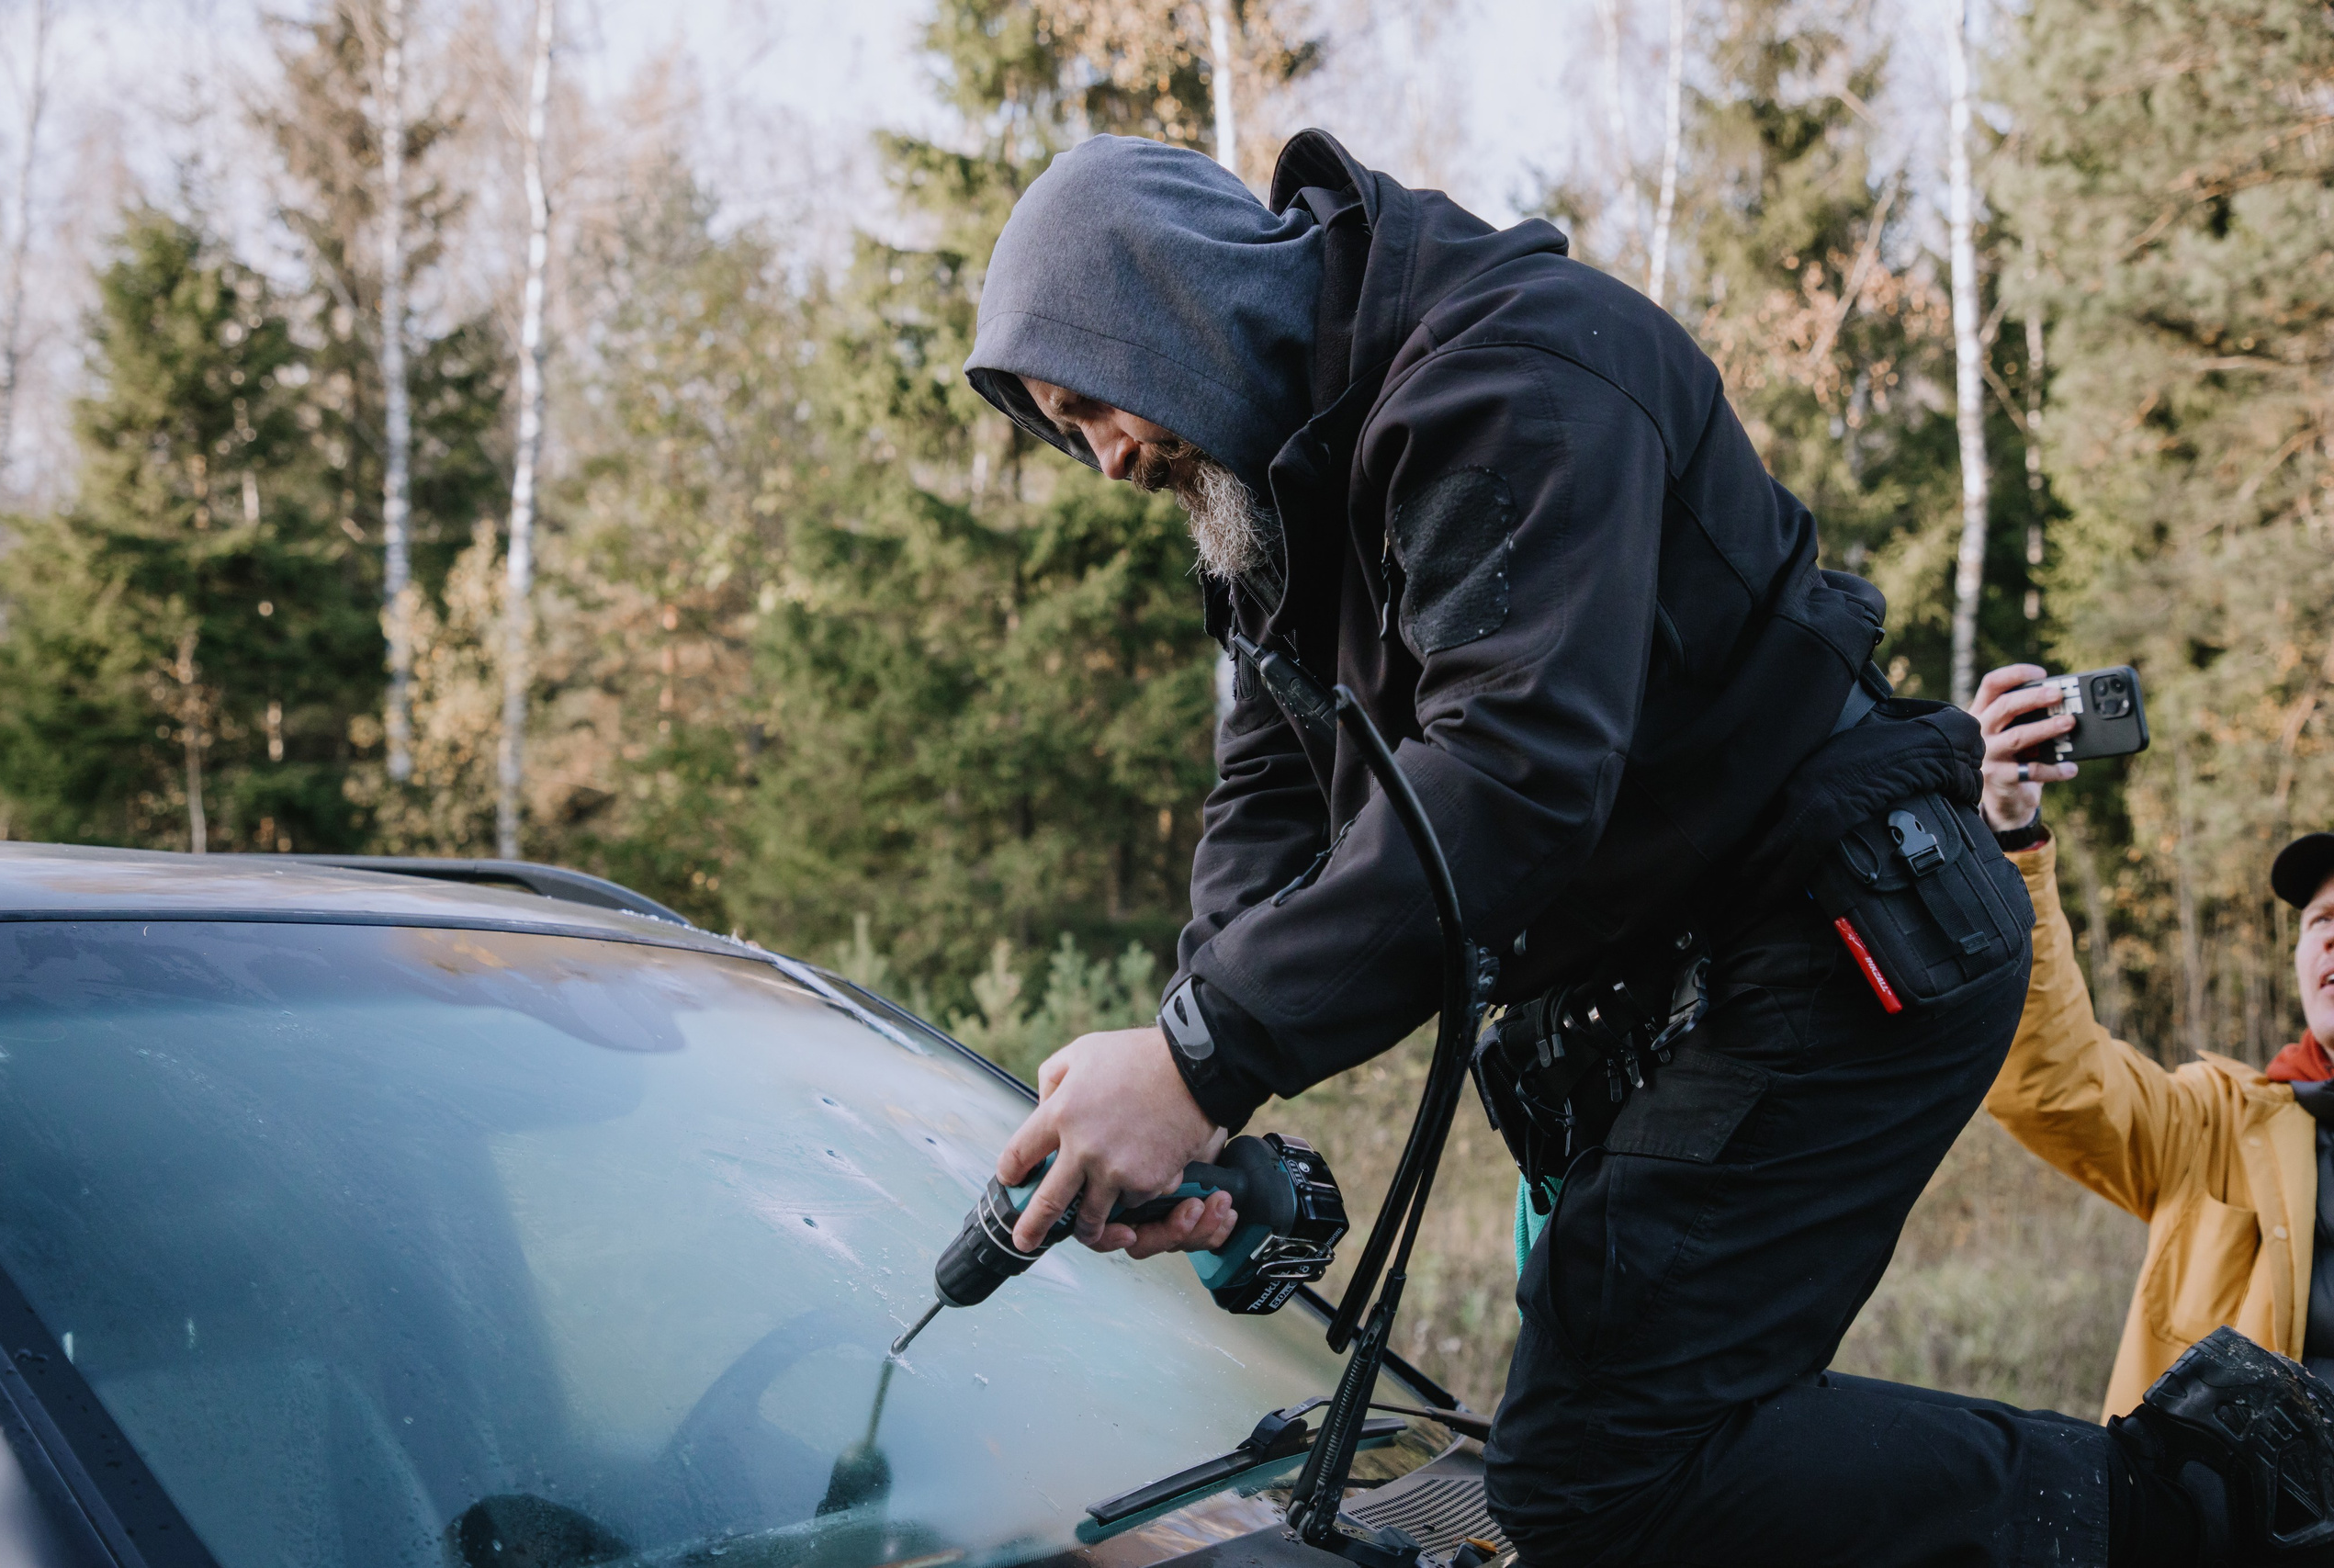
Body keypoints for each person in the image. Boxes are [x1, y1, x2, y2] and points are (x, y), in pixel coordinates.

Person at [957, 127, 2334, 1567]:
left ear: (1176, 303)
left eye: (1090, 400)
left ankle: (2213, 1499)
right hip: (1693, 985)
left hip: (1846, 938)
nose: (1103, 454)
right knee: (1646, 1440)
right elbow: (1274, 794)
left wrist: (1199, 1051)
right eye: (1059, 427)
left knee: (1597, 1462)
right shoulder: (1274, 502)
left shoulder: (1515, 368)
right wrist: (1202, 1080)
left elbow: (1511, 774)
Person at [1975, 660, 2334, 1555]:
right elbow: (2050, 1080)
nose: (2330, 933)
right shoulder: (2222, 1125)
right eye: (2318, 921)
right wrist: (2007, 844)